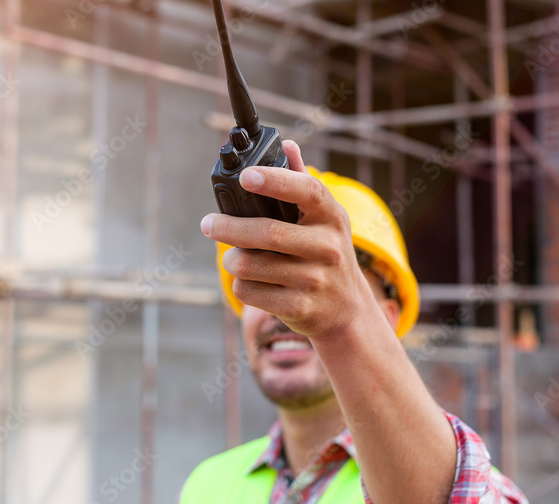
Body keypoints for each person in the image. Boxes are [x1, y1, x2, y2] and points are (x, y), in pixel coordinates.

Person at [180, 140, 527, 503]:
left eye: (308, 285)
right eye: (265, 284)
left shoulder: (456, 478)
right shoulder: (208, 484)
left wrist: (343, 326)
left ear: (387, 318)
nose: (285, 312)